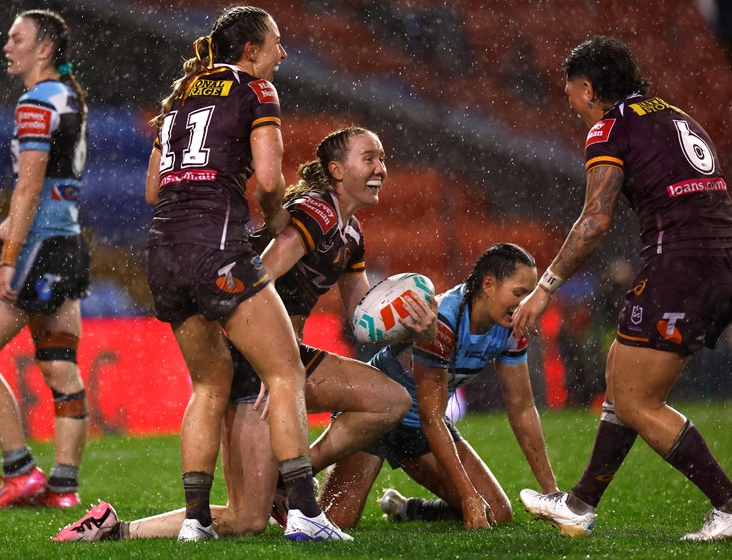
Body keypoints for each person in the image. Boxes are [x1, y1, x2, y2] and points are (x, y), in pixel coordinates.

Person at [54, 127, 436, 542]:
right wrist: (270, 365)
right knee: (245, 521)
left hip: (287, 360)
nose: (381, 168)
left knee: (389, 401)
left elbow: (363, 318)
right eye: (370, 158)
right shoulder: (315, 213)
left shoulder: (351, 233)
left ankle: (290, 474)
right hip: (253, 361)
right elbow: (260, 278)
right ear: (337, 170)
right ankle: (114, 528)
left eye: (382, 158)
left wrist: (412, 323)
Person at [102, 6, 344, 542]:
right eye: (276, 43)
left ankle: (195, 522)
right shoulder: (257, 92)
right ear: (251, 50)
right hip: (216, 247)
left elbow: (151, 192)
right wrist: (279, 219)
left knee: (209, 384)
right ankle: (305, 513)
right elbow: (268, 178)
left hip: (163, 251)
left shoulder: (179, 97)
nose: (283, 53)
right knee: (285, 372)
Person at [511, 36, 732, 542]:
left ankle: (728, 504)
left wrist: (545, 288)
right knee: (620, 374)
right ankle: (580, 503)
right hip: (719, 259)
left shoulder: (610, 128)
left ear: (588, 89)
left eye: (571, 97)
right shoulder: (676, 115)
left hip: (680, 264)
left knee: (638, 403)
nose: (572, 108)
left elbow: (594, 222)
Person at [317, 243, 559, 530]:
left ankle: (410, 509)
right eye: (519, 293)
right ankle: (291, 490)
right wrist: (468, 496)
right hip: (376, 414)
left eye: (529, 295)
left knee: (498, 513)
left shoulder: (513, 326)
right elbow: (432, 419)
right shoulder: (444, 318)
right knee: (336, 522)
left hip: (423, 422)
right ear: (489, 285)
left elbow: (521, 408)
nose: (525, 303)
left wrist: (552, 496)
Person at [0, 9, 91, 510]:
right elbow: (54, 190)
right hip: (69, 245)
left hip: (37, 248)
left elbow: (29, 188)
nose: (7, 47)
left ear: (45, 49)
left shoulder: (36, 101)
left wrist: (7, 259)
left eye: (17, 39)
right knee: (60, 368)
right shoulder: (69, 97)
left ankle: (20, 472)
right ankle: (64, 487)